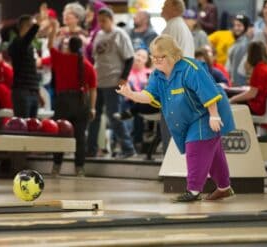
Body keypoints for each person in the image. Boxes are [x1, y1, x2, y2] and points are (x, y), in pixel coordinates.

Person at [116, 35, 235, 202]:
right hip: (191, 115)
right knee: (213, 151)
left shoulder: (190, 68)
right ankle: (224, 187)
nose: (156, 61)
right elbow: (148, 96)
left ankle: (193, 191)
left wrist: (214, 116)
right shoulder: (157, 75)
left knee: (195, 145)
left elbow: (207, 91)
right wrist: (131, 94)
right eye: (153, 57)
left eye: (160, 57)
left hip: (207, 111)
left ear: (172, 54)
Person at [47, 21, 97, 176]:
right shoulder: (87, 65)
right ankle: (79, 169)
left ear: (68, 47)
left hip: (63, 102)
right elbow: (93, 89)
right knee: (80, 137)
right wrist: (93, 107)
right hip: (81, 103)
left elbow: (49, 46)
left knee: (60, 135)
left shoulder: (61, 59)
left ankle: (56, 167)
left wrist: (54, 30)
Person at [86, 7, 136, 158]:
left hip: (113, 81)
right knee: (93, 116)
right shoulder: (98, 35)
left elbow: (130, 58)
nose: (101, 24)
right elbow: (96, 58)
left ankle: (128, 149)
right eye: (99, 21)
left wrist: (123, 78)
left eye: (104, 21)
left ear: (111, 20)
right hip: (98, 82)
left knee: (114, 117)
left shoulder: (119, 34)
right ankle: (91, 149)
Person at [161, 0, 195, 153]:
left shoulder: (173, 26)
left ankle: (170, 165)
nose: (162, 7)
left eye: (165, 5)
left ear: (174, 8)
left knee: (171, 127)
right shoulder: (181, 26)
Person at [229, 41, 267, 116]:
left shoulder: (259, 69)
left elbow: (252, 94)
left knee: (232, 104)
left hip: (259, 107)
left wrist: (232, 99)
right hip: (266, 105)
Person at [8, 15, 41, 118]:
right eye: (32, 26)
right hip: (21, 92)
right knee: (22, 128)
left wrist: (37, 91)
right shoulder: (17, 43)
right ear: (27, 27)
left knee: (33, 127)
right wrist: (37, 24)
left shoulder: (30, 46)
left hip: (33, 91)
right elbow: (27, 39)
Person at [226, 14, 250, 86]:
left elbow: (237, 69)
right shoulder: (238, 42)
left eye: (239, 25)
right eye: (235, 25)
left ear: (245, 27)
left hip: (238, 84)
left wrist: (234, 85)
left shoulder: (244, 44)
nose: (236, 28)